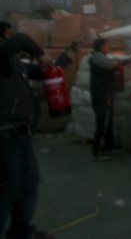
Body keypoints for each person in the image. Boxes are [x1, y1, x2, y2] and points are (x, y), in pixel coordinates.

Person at [0, 21, 54, 239]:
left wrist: (70, 52)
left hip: (22, 133)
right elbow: (21, 40)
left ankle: (20, 232)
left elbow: (41, 71)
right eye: (8, 34)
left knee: (29, 184)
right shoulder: (1, 59)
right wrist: (40, 54)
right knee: (8, 189)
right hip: (4, 135)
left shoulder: (15, 64)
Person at [89, 37, 131, 160]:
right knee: (102, 121)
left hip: (106, 93)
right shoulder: (97, 57)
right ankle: (98, 152)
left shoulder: (101, 57)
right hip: (101, 94)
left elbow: (116, 63)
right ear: (101, 47)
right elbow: (109, 66)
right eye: (106, 46)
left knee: (108, 121)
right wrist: (118, 61)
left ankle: (108, 147)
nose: (108, 48)